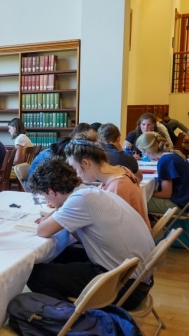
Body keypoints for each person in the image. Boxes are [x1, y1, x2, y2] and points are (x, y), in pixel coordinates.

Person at [26, 158, 155, 310]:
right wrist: (58, 208)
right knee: (61, 254)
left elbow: (42, 231)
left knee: (34, 275)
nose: (46, 200)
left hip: (126, 288)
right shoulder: (89, 192)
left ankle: (72, 318)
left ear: (51, 191)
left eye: (44, 195)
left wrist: (56, 209)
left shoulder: (80, 200)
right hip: (137, 278)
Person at [64, 134, 150, 229]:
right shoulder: (121, 170)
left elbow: (115, 227)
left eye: (75, 168)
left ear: (86, 163)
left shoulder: (117, 186)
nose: (77, 175)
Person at [136, 132, 189, 213]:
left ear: (149, 149)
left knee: (138, 202)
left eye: (143, 151)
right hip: (185, 199)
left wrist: (149, 194)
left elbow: (166, 193)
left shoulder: (164, 161)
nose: (144, 154)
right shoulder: (174, 154)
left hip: (180, 204)